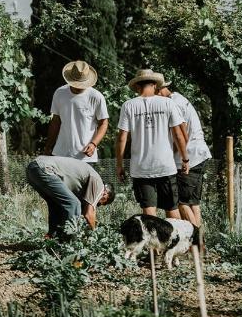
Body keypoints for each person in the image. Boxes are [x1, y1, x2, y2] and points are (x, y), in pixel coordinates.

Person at [116, 69, 194, 223]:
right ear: (154, 85)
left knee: (149, 212)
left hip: (141, 169)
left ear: (138, 87)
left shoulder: (128, 106)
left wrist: (119, 165)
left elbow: (121, 138)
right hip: (165, 167)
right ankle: (177, 245)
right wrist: (185, 159)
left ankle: (154, 248)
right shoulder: (168, 103)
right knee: (172, 209)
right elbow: (178, 135)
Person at [158, 81, 212, 226]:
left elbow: (182, 134)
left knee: (181, 202)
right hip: (200, 154)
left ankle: (193, 239)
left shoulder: (174, 104)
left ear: (158, 90)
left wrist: (173, 155)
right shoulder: (179, 98)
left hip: (190, 157)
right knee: (193, 203)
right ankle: (199, 245)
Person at [26, 154, 115, 235]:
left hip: (33, 168)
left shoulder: (89, 182)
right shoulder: (99, 186)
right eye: (101, 202)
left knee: (57, 205)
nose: (97, 204)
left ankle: (51, 237)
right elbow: (88, 214)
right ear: (105, 194)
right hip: (45, 168)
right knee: (74, 204)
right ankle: (68, 241)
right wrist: (96, 234)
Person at [44, 60, 108, 162]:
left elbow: (103, 124)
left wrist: (93, 144)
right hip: (61, 154)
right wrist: (48, 147)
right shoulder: (59, 93)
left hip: (85, 157)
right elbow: (55, 122)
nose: (79, 86)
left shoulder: (96, 97)